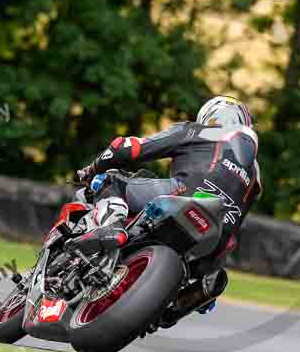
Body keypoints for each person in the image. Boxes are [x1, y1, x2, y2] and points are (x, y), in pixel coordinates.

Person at [71, 96, 262, 321]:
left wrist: (92, 168)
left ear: (209, 116)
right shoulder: (256, 178)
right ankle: (192, 297)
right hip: (215, 244)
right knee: (208, 275)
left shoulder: (201, 132)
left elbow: (128, 149)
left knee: (110, 181)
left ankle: (112, 226)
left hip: (182, 196)